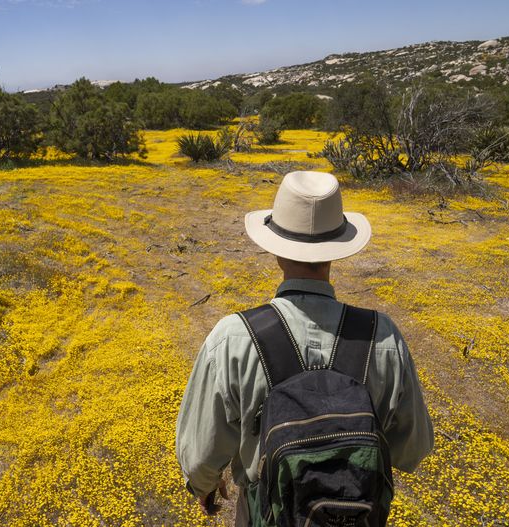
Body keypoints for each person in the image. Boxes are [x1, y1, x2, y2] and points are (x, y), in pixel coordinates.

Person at [175, 171, 434, 525]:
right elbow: (412, 451)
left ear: (277, 251)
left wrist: (203, 485)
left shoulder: (233, 338)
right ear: (337, 250)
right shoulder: (384, 338)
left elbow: (200, 457)